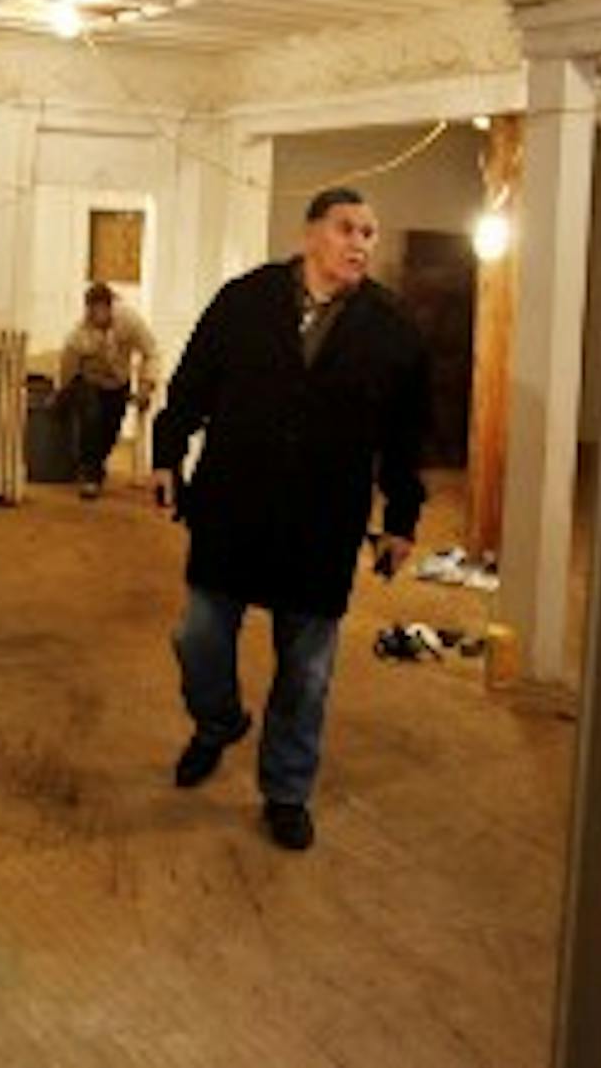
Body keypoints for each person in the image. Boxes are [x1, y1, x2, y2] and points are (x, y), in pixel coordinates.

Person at [151, 187, 429, 851]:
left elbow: (406, 436)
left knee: (305, 671)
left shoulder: (393, 330)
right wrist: (166, 456)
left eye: (370, 231)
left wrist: (402, 517)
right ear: (311, 234)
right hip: (233, 506)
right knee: (198, 636)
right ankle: (218, 721)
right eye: (346, 228)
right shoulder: (244, 301)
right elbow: (191, 385)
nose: (361, 241)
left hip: (323, 521)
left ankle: (286, 789)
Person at [57, 283, 158, 498]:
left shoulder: (129, 321)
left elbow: (151, 351)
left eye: (102, 308)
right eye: (93, 310)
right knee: (92, 417)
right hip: (89, 380)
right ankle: (90, 476)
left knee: (111, 428)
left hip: (119, 382)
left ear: (110, 306)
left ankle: (96, 465)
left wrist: (146, 385)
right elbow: (68, 367)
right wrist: (63, 391)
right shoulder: (78, 335)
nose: (98, 315)